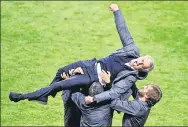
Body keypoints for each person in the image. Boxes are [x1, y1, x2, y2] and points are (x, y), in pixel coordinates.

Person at [9, 4, 154, 107]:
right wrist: (117, 11)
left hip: (92, 78)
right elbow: (124, 31)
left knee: (61, 84)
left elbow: (114, 92)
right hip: (90, 64)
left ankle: (22, 97)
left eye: (141, 65)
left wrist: (98, 93)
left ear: (141, 71)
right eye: (141, 59)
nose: (138, 62)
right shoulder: (132, 50)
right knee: (61, 71)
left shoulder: (130, 77)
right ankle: (44, 97)